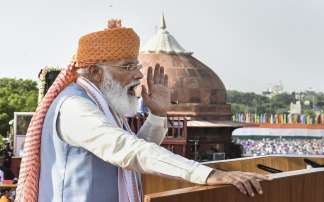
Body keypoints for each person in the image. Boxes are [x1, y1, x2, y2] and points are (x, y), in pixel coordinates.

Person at [16, 19, 270, 202]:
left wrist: (158, 115)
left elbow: (127, 158)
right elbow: (127, 151)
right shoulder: (74, 106)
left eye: (136, 65)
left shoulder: (104, 103)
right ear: (95, 72)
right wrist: (208, 174)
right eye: (127, 67)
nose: (138, 74)